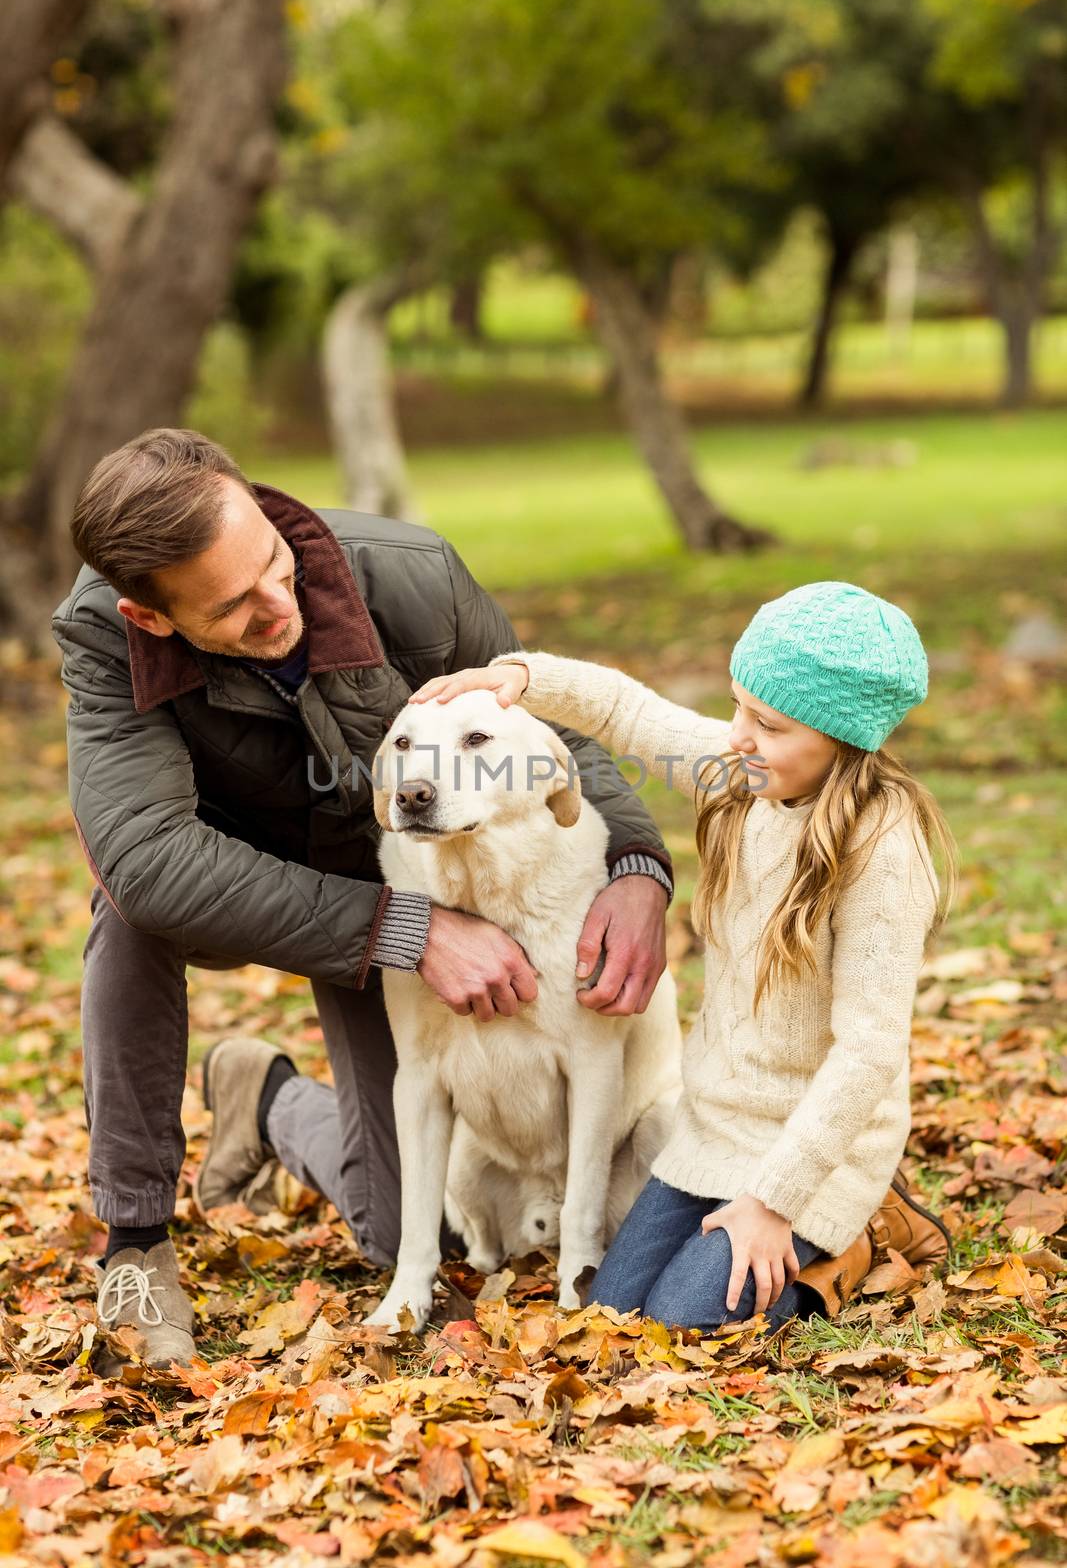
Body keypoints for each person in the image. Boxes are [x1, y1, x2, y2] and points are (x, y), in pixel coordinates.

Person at [52, 428, 675, 1367]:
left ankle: (266, 1101)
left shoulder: (412, 576)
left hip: (384, 865)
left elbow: (551, 736)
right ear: (150, 618)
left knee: (402, 1232)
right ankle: (135, 1244)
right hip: (231, 880)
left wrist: (637, 865)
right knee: (127, 907)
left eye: (274, 564)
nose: (278, 603)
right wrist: (404, 928)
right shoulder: (104, 633)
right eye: (235, 607)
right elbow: (149, 857)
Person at [409, 580, 959, 1332]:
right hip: (714, 1130)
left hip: (816, 1153)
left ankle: (861, 1232)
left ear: (840, 738)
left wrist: (773, 1204)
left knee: (684, 1323)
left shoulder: (881, 857)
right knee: (613, 1313)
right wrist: (523, 679)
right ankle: (769, 1233)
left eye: (765, 723)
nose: (736, 734)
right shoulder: (743, 776)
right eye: (737, 706)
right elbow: (629, 714)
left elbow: (867, 1054)